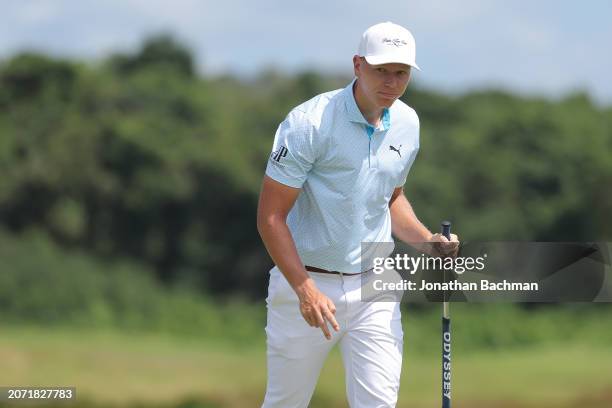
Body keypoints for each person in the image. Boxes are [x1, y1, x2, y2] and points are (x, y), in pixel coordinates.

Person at [257, 21, 459, 408]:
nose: (391, 82)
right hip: (308, 280)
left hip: (375, 281)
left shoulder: (407, 123)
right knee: (286, 402)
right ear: (357, 65)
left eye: (401, 73)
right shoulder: (309, 123)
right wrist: (304, 288)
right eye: (381, 70)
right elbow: (270, 217)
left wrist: (428, 241)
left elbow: (389, 197)